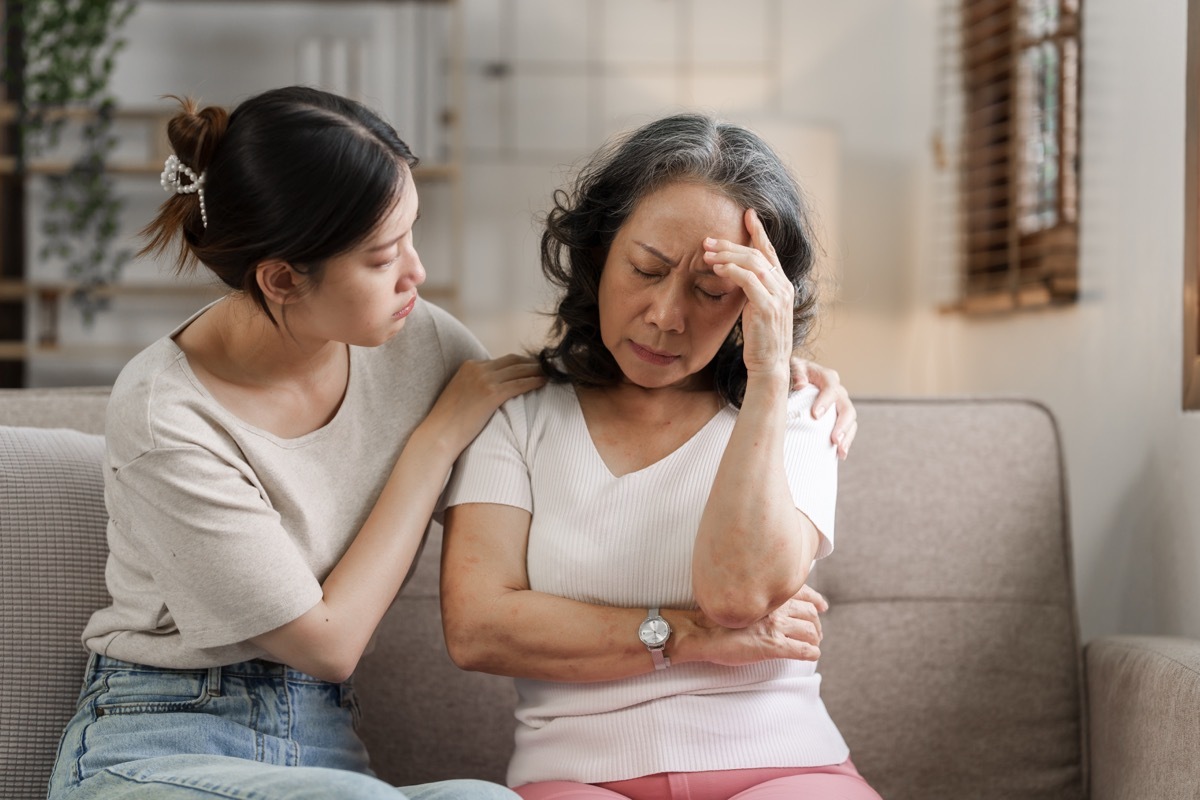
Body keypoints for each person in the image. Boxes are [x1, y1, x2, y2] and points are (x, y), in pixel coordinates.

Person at [45, 86, 545, 800]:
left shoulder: (418, 339)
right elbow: (330, 644)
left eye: (412, 234)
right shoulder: (168, 416)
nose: (417, 273)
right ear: (281, 278)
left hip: (322, 748)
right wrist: (434, 443)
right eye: (381, 258)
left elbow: (535, 486)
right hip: (159, 740)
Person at [439, 113, 882, 800]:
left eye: (711, 292)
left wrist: (768, 375)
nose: (667, 316)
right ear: (596, 254)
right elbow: (478, 628)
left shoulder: (799, 411)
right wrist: (687, 636)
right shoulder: (516, 417)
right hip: (579, 776)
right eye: (646, 269)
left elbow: (737, 595)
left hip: (787, 767)